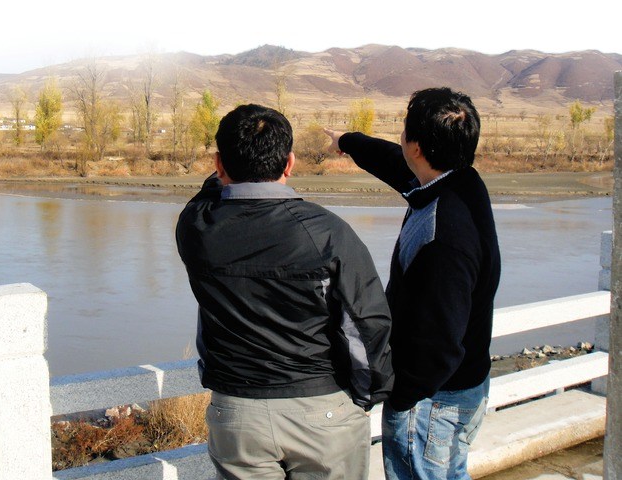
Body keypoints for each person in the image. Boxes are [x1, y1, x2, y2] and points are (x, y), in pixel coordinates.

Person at [176, 104, 394, 479]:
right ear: (289, 163)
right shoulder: (326, 232)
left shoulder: (197, 229)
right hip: (322, 410)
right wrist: (370, 394)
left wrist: (226, 172)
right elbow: (368, 322)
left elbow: (208, 195)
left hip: (238, 412)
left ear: (218, 162)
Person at [325, 87, 501, 479]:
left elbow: (438, 343)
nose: (400, 140)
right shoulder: (459, 181)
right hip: (456, 387)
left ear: (418, 148)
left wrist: (400, 397)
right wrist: (348, 142)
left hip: (433, 402)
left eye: (404, 133)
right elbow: (395, 163)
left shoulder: (445, 236)